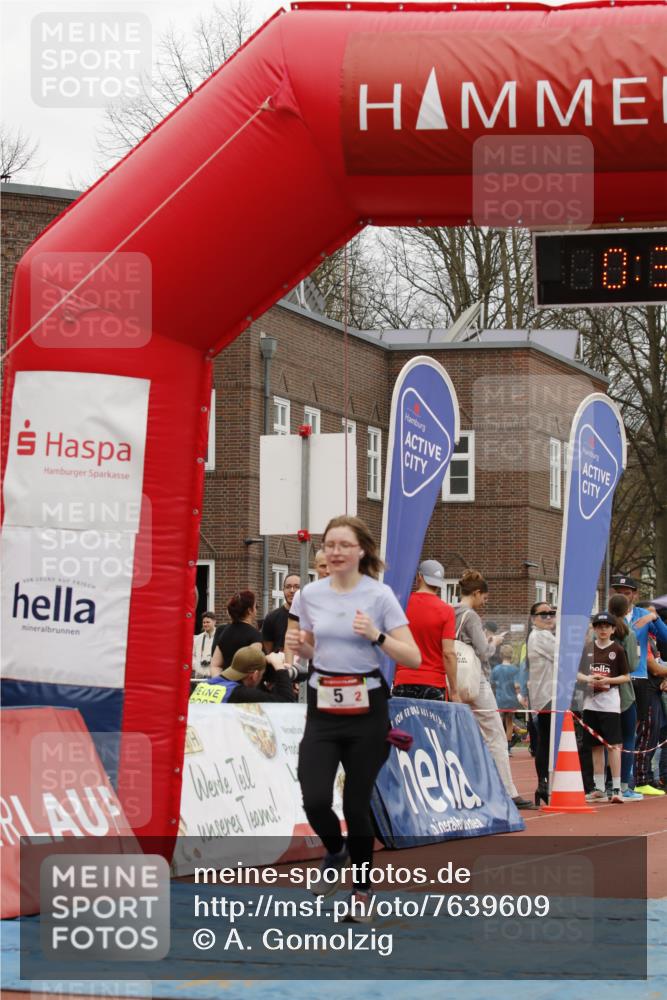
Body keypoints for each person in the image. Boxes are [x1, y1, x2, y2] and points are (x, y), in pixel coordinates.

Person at [285, 515, 420, 921]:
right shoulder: (309, 595)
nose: (336, 552)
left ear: (362, 550)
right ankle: (335, 851)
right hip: (323, 705)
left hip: (367, 709)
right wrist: (300, 649)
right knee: (314, 798)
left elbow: (412, 656)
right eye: (330, 545)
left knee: (356, 804)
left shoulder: (379, 596)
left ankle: (362, 893)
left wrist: (377, 636)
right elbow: (310, 649)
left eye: (344, 545)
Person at [454, 570, 536, 810]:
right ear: (477, 593)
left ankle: (472, 787)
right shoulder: (470, 617)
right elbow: (484, 652)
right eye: (484, 598)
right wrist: (495, 642)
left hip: (453, 678)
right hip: (474, 678)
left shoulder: (450, 612)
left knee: (467, 735)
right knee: (496, 735)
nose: (484, 603)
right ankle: (507, 790)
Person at [610, 574, 667, 797]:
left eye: (626, 593)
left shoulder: (644, 614)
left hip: (638, 678)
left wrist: (655, 618)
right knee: (611, 731)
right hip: (613, 678)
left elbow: (664, 638)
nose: (623, 596)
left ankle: (628, 780)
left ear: (634, 595)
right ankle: (609, 781)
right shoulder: (609, 617)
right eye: (618, 593)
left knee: (633, 731)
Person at [577, 611, 631, 804]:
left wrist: (608, 679)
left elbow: (626, 676)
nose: (602, 630)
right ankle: (599, 787)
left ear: (613, 630)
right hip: (591, 703)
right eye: (599, 626)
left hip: (610, 704)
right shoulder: (588, 648)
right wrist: (588, 679)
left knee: (614, 745)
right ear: (594, 629)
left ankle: (616, 788)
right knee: (595, 747)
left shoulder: (617, 650)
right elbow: (578, 674)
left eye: (606, 627)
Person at [393, 559, 459, 702]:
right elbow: (448, 653)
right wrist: (454, 691)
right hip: (433, 683)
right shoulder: (446, 611)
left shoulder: (401, 605)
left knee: (403, 725)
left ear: (419, 577)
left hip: (404, 680)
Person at [607, 594, 641, 799]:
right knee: (628, 738)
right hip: (624, 692)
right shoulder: (628, 633)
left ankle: (604, 784)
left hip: (601, 691)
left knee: (607, 740)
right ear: (627, 610)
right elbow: (634, 665)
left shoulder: (599, 632)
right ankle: (624, 786)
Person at [525, 602, 557, 805]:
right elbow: (563, 656)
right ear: (533, 618)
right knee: (546, 741)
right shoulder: (540, 636)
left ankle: (544, 785)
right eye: (543, 614)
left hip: (548, 694)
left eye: (551, 613)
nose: (548, 617)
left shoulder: (545, 635)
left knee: (547, 741)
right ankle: (543, 785)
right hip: (547, 696)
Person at [190, 647, 297, 704]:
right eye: (262, 675)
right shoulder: (238, 693)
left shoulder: (203, 686)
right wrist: (279, 667)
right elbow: (286, 703)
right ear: (255, 675)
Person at [210, 590, 262, 673]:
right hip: (246, 684)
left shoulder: (224, 631)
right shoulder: (255, 635)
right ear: (249, 610)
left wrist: (222, 683)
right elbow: (251, 667)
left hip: (226, 683)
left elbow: (215, 666)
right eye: (256, 606)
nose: (256, 610)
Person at [491, 643, 521, 753]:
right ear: (511, 655)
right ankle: (507, 746)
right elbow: (517, 685)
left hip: (499, 699)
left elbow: (492, 684)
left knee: (498, 722)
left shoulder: (496, 669)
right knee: (509, 722)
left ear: (501, 655)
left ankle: (500, 745)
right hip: (511, 699)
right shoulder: (515, 669)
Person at [262, 573, 300, 654]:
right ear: (283, 590)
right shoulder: (272, 617)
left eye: (297, 587)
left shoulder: (311, 616)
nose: (292, 590)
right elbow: (268, 651)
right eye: (288, 587)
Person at [192, 611, 217, 679]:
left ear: (214, 622)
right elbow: (192, 656)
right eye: (204, 622)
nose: (205, 624)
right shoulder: (197, 638)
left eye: (208, 622)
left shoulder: (220, 637)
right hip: (199, 676)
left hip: (214, 676)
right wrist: (197, 667)